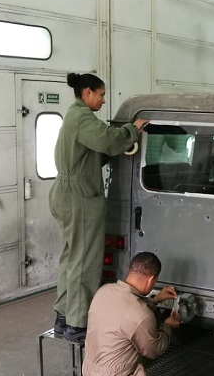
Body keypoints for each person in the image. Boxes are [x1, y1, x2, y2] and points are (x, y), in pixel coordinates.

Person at [51, 72, 148, 341]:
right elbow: (107, 140)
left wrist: (120, 143)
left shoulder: (74, 116)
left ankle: (63, 317)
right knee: (85, 261)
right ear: (87, 92)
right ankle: (77, 324)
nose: (103, 100)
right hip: (79, 196)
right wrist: (131, 131)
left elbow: (96, 153)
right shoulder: (83, 118)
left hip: (66, 192)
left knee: (71, 259)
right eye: (101, 94)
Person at [79, 252, 181, 376]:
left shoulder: (104, 291)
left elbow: (127, 312)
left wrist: (155, 300)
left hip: (89, 375)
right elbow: (154, 350)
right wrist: (168, 327)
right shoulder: (141, 314)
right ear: (151, 279)